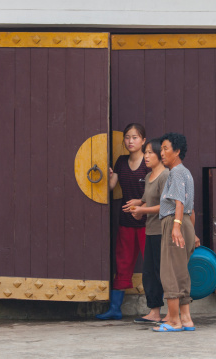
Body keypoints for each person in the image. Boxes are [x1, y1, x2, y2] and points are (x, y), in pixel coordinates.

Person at [96, 123, 150, 320]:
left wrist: (142, 202)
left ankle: (157, 311)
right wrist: (109, 177)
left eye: (135, 137)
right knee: (123, 264)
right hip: (126, 221)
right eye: (127, 137)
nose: (130, 141)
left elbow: (158, 192)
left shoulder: (149, 162)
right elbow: (111, 187)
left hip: (147, 222)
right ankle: (115, 309)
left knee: (153, 266)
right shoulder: (120, 161)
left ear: (143, 140)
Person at [153, 132, 201, 332]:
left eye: (166, 149)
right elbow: (191, 207)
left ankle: (173, 320)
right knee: (181, 272)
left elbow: (179, 202)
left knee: (170, 272)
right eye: (161, 149)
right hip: (185, 223)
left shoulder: (176, 172)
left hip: (175, 222)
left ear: (177, 151)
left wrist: (176, 226)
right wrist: (191, 231)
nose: (161, 153)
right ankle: (186, 319)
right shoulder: (186, 172)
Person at [128, 138, 169, 323]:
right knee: (149, 273)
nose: (145, 156)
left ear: (161, 155)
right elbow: (147, 201)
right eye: (145, 152)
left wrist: (142, 210)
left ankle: (173, 312)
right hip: (151, 230)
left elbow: (165, 206)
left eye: (150, 152)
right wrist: (138, 209)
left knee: (165, 272)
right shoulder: (148, 176)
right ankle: (154, 312)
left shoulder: (166, 176)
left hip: (163, 231)